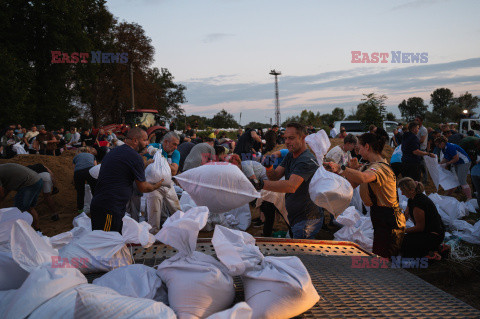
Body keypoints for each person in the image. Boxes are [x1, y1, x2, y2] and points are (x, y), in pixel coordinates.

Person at [324, 129, 406, 258]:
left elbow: (363, 178)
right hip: (379, 214)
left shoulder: (380, 167)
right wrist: (350, 169)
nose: (358, 152)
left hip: (389, 217)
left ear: (367, 147)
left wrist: (341, 169)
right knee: (379, 253)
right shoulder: (369, 165)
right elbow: (354, 184)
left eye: (360, 148)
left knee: (385, 257)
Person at [254, 122, 324, 239]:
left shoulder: (306, 160)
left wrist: (261, 184)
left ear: (303, 138)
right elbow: (274, 176)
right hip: (297, 216)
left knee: (302, 254)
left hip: (307, 219)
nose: (286, 142)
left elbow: (291, 186)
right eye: (285, 138)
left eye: (291, 138)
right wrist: (269, 167)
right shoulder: (290, 155)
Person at [90, 128, 164, 233]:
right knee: (107, 242)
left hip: (103, 204)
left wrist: (145, 165)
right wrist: (157, 185)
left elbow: (125, 170)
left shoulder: (114, 151)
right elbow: (142, 187)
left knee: (109, 241)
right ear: (135, 140)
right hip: (110, 208)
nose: (147, 143)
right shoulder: (135, 157)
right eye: (145, 140)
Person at [144, 132, 182, 233]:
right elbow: (141, 152)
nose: (175, 147)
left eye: (177, 145)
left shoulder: (175, 153)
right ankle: (153, 237)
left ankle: (181, 230)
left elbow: (174, 171)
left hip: (168, 186)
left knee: (176, 209)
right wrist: (151, 151)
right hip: (153, 187)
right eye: (174, 144)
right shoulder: (156, 147)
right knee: (154, 213)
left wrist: (161, 159)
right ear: (166, 142)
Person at [398, 178, 445, 259]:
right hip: (426, 232)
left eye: (403, 191)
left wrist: (401, 231)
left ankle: (432, 253)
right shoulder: (411, 200)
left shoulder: (418, 203)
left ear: (412, 190)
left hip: (433, 235)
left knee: (402, 243)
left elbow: (420, 228)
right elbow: (405, 216)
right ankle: (434, 249)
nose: (402, 193)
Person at [0, 163, 43, 230]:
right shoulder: (3, 169)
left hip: (29, 184)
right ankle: (37, 230)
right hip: (37, 180)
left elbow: (1, 192)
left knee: (18, 211)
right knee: (30, 208)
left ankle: (22, 231)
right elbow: (7, 188)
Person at [73, 147, 98, 214]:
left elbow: (74, 168)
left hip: (78, 173)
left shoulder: (76, 157)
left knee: (80, 192)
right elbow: (95, 166)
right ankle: (97, 208)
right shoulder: (91, 155)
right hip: (90, 170)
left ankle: (80, 210)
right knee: (94, 190)